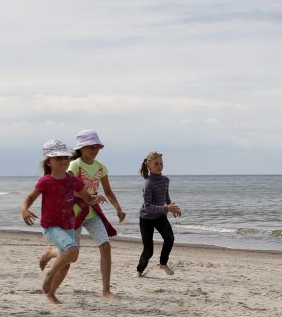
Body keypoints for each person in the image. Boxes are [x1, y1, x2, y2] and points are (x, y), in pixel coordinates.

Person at [39, 129, 125, 298]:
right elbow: (68, 188)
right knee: (72, 256)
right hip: (73, 215)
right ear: (82, 148)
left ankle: (106, 290)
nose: (94, 150)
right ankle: (51, 254)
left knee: (106, 246)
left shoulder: (101, 168)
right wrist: (90, 196)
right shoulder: (74, 164)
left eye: (97, 147)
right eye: (90, 147)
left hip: (92, 213)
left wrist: (118, 208)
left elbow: (108, 191)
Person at [22, 139, 95, 304]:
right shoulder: (45, 182)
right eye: (58, 158)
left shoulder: (73, 180)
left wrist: (94, 198)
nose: (63, 161)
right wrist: (25, 209)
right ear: (49, 162)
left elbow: (88, 198)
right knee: (72, 250)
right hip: (51, 226)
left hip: (68, 225)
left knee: (69, 260)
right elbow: (30, 197)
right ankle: (49, 274)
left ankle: (51, 291)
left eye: (65, 157)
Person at [136, 151, 181, 276]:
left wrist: (173, 207)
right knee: (148, 250)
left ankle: (163, 263)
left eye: (161, 163)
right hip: (146, 219)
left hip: (160, 216)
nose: (159, 166)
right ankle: (139, 271)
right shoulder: (148, 184)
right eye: (156, 164)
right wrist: (167, 208)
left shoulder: (165, 180)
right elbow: (148, 207)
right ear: (149, 166)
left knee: (169, 238)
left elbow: (165, 196)